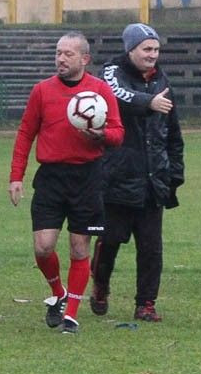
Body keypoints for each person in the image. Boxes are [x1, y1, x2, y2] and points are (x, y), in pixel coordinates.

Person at [8, 33, 124, 334]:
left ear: (84, 59)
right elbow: (25, 133)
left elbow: (118, 133)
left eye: (68, 54)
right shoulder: (42, 91)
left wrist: (101, 136)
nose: (60, 59)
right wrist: (16, 176)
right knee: (44, 247)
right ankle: (58, 292)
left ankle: (71, 314)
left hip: (88, 176)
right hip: (51, 178)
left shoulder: (100, 91)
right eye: (58, 53)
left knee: (79, 247)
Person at [92, 23, 185, 322]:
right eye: (147, 49)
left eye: (156, 49)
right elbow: (117, 95)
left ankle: (146, 303)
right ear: (130, 49)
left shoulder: (162, 81)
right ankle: (100, 286)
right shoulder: (111, 73)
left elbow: (173, 132)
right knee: (111, 241)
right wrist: (149, 102)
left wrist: (174, 174)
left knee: (151, 248)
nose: (152, 55)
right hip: (118, 178)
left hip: (152, 179)